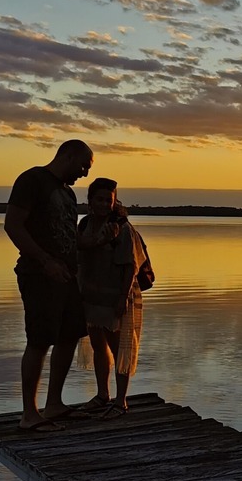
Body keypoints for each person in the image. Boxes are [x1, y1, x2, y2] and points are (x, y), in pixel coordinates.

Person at [4, 140, 93, 431]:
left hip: (67, 276)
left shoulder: (68, 194)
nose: (84, 174)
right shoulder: (32, 180)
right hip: (38, 273)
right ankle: (29, 413)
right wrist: (45, 261)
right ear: (67, 156)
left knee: (70, 335)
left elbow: (69, 235)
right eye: (83, 166)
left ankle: (53, 404)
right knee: (40, 340)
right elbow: (13, 225)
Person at [76, 177, 153, 418]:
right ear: (90, 200)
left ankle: (121, 401)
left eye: (108, 200)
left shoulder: (122, 228)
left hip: (116, 296)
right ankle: (102, 395)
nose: (103, 204)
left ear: (114, 201)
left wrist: (122, 297)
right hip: (91, 295)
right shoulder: (85, 224)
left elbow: (131, 266)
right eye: (99, 199)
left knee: (119, 348)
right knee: (99, 345)